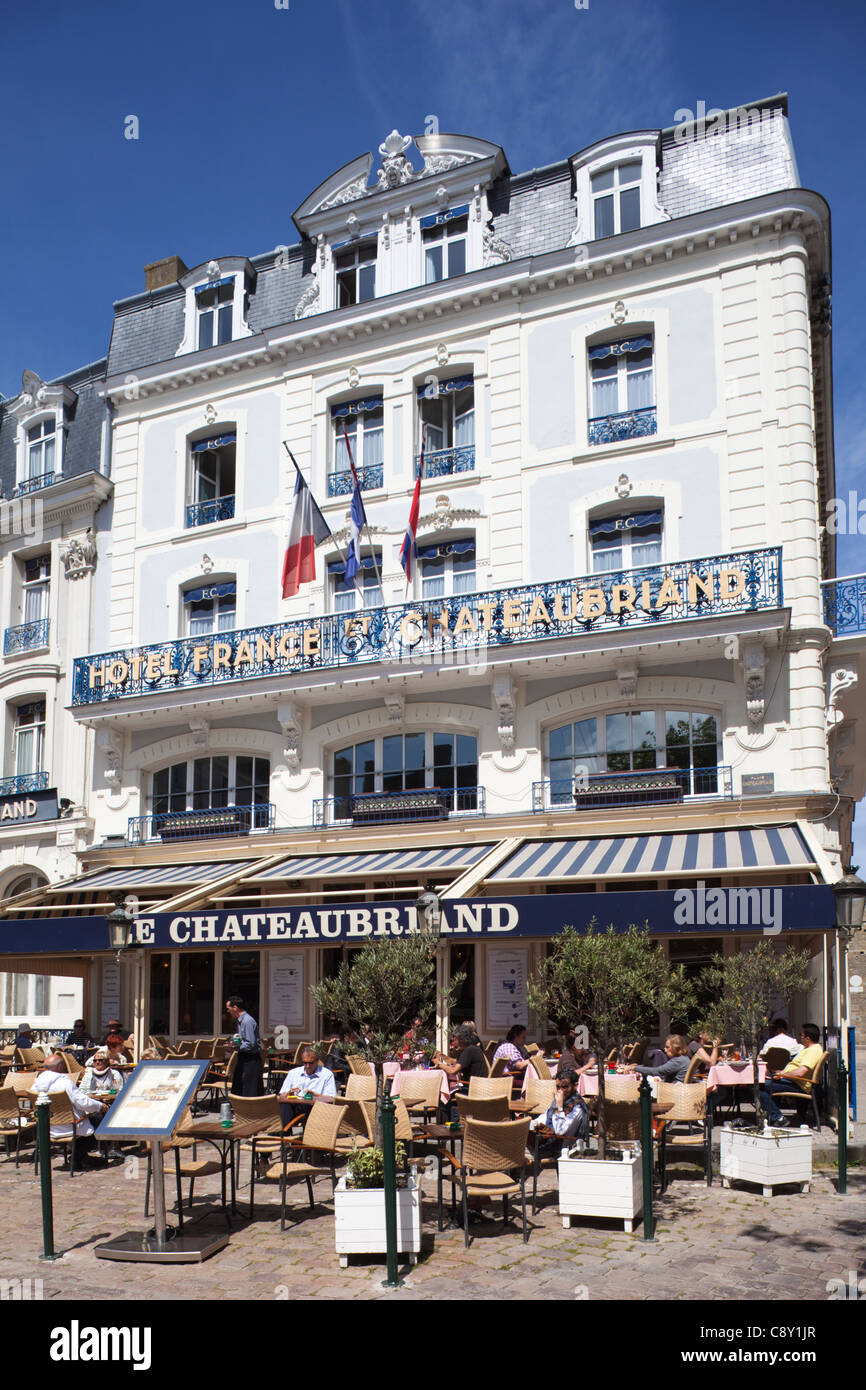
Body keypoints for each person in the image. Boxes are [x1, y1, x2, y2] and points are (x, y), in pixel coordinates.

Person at [31, 1052, 108, 1169]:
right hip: (70, 1126)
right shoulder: (63, 1082)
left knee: (91, 1120)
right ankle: (76, 1158)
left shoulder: (36, 1084)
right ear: (59, 1067)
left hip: (47, 1127)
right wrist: (100, 1106)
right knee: (100, 1119)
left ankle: (82, 1157)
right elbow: (83, 1102)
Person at [758, 1024, 824, 1126]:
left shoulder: (813, 1051)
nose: (799, 1037)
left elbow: (801, 1072)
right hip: (792, 1080)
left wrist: (782, 1075)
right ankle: (772, 1116)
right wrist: (781, 1073)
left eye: (801, 1035)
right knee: (763, 1082)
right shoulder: (809, 1049)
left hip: (796, 1083)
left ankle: (778, 1118)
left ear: (808, 1038)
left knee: (758, 1087)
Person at [530, 1070, 590, 1157]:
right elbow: (546, 1116)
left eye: (565, 1087)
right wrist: (532, 1123)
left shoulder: (578, 1107)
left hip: (559, 1146)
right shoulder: (561, 1100)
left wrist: (559, 1107)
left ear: (575, 1086)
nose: (560, 1091)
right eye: (558, 1087)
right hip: (545, 1138)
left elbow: (559, 1131)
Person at [278, 1046, 336, 1128]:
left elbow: (331, 1098)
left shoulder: (326, 1074)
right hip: (296, 1107)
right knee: (284, 1105)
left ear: (317, 1061)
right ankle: (283, 1134)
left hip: (315, 1108)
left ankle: (306, 1136)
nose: (308, 1066)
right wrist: (288, 1093)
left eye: (311, 1063)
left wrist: (315, 1095)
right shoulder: (293, 1073)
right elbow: (281, 1096)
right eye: (305, 1063)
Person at [226, 996, 263, 1096]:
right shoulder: (240, 1021)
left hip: (251, 1060)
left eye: (228, 1009)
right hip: (243, 1058)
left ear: (235, 1008)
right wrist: (234, 1044)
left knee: (250, 1090)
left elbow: (250, 1044)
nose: (228, 1011)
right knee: (239, 1087)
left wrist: (235, 1048)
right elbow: (244, 1041)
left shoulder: (247, 1021)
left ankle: (249, 1111)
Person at [625, 1035, 691, 1083]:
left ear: (676, 1047)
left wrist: (634, 1068)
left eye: (667, 1047)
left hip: (673, 1092)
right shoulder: (684, 1058)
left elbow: (657, 1071)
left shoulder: (678, 1061)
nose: (665, 1049)